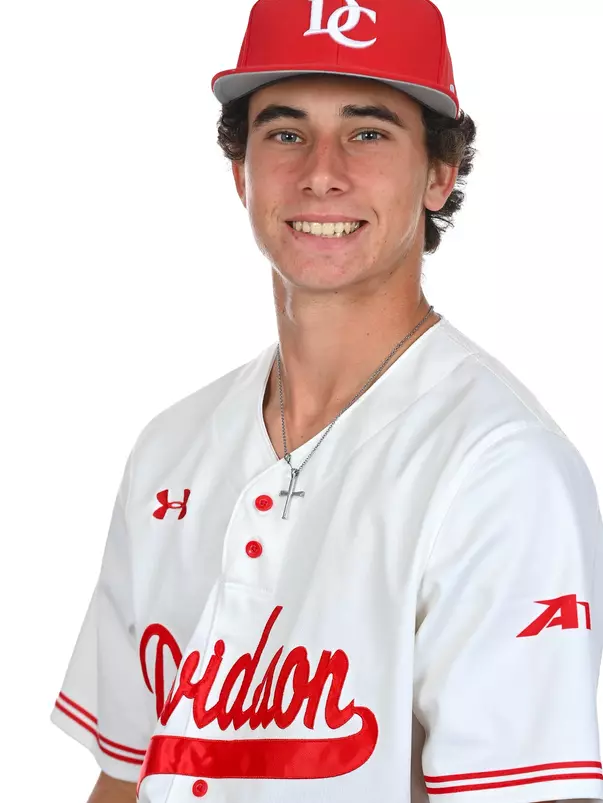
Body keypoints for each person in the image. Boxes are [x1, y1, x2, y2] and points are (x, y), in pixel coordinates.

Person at [51, 0, 603, 801]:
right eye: (284, 133)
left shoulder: (500, 469)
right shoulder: (170, 447)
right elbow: (126, 775)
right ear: (240, 172)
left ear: (439, 174)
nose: (320, 171)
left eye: (367, 132)